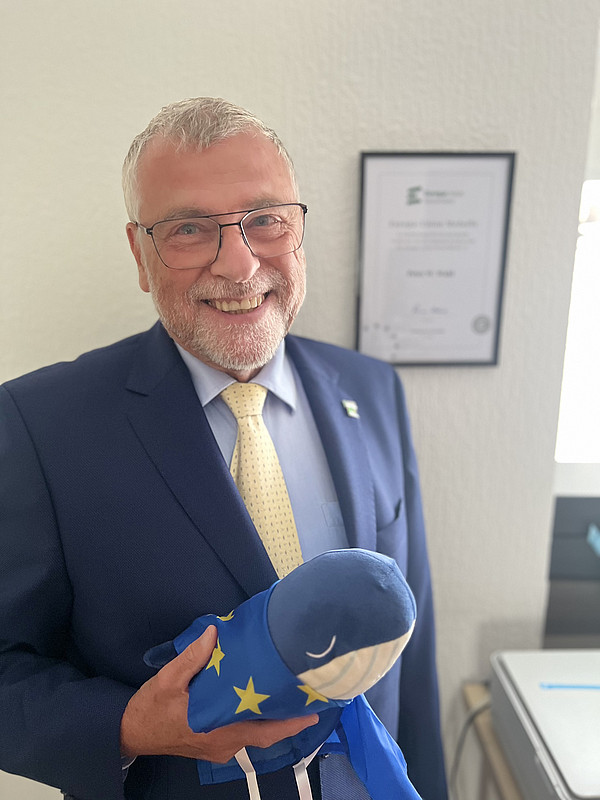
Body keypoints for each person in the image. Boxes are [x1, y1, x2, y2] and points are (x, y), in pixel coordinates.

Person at [0, 98, 447, 800]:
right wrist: (127, 726)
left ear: (298, 231)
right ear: (140, 254)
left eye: (265, 219)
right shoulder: (37, 424)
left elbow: (410, 651)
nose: (239, 265)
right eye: (188, 229)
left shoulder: (373, 389)